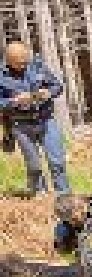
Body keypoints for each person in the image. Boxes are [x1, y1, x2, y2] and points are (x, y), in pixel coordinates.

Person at [0, 42, 69, 196]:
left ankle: (64, 196)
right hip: (21, 125)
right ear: (9, 61)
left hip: (46, 120)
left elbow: (57, 86)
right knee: (34, 165)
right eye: (20, 63)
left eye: (26, 61)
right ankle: (39, 195)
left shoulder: (37, 66)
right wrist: (14, 101)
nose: (24, 65)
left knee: (57, 161)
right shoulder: (1, 75)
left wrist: (48, 93)